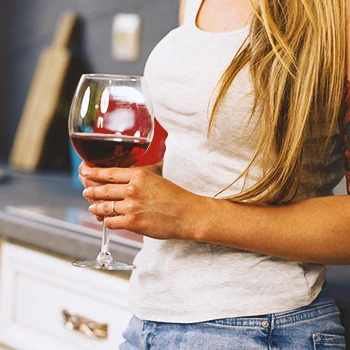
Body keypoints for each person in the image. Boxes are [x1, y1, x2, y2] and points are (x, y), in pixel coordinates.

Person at [79, 0, 350, 348]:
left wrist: (189, 214)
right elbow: (212, 151)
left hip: (261, 326)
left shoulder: (335, 11)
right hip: (150, 316)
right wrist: (149, 183)